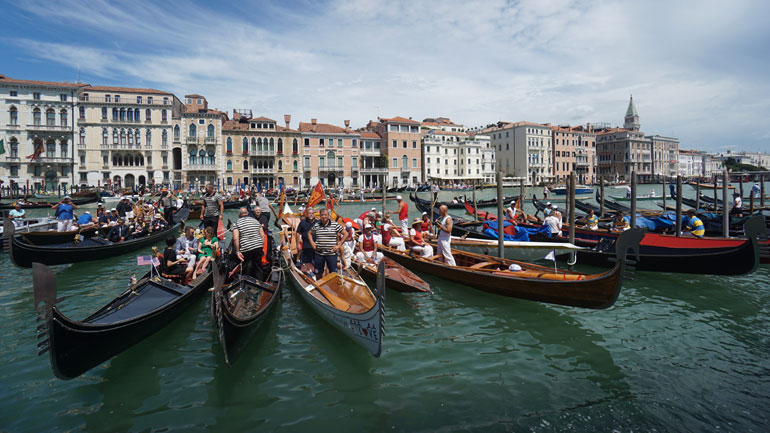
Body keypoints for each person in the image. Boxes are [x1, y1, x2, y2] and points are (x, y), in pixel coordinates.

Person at [309, 208, 347, 276]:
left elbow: (346, 234)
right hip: (319, 253)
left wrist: (338, 245)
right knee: (318, 273)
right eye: (322, 215)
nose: (324, 217)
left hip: (331, 254)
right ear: (320, 216)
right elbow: (309, 233)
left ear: (328, 215)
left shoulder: (335, 225)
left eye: (325, 215)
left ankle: (333, 285)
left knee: (333, 273)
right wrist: (312, 243)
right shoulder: (317, 225)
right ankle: (319, 284)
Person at [233, 207, 265, 281]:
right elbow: (262, 236)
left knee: (246, 267)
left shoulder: (237, 223)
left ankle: (246, 284)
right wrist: (262, 247)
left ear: (239, 215)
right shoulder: (256, 221)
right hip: (258, 247)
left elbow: (235, 238)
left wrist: (237, 252)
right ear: (247, 213)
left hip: (246, 248)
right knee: (258, 267)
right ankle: (260, 284)